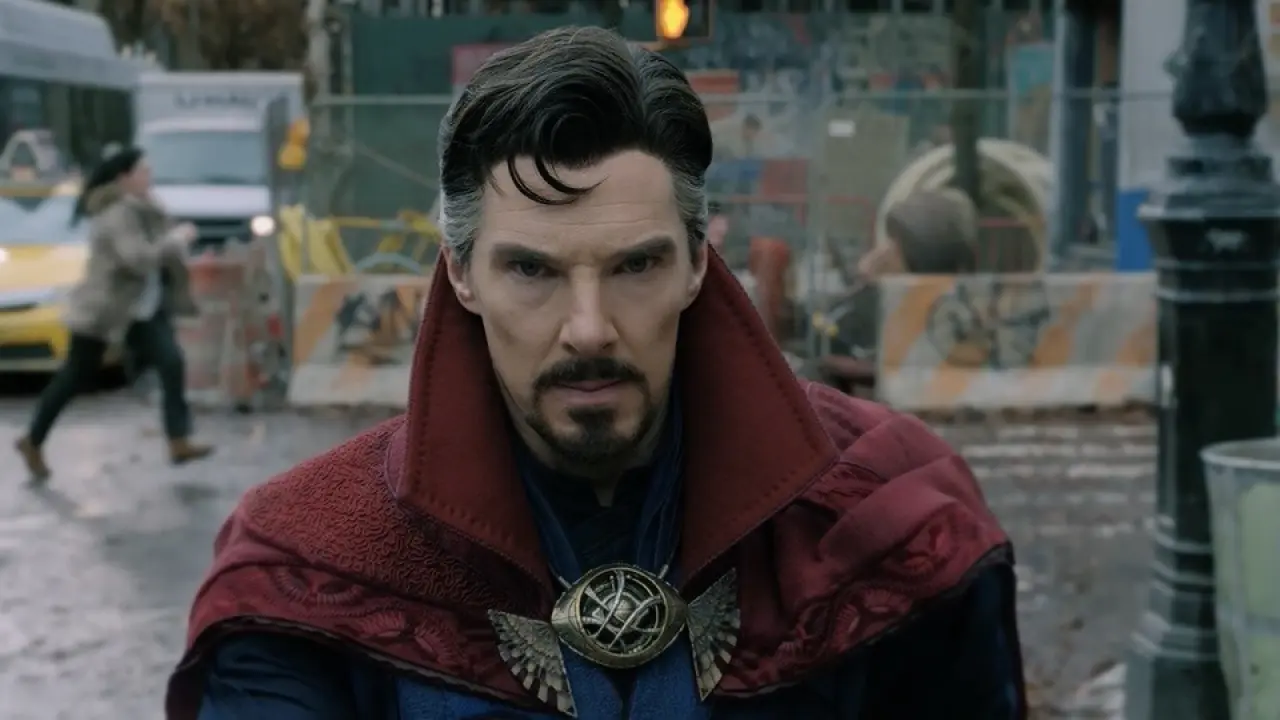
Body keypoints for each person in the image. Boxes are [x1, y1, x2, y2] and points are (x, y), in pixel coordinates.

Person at [168, 27, 1024, 720]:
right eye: (532, 270)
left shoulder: (891, 519)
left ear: (698, 261)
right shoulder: (310, 567)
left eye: (635, 265)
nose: (589, 329)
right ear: (461, 274)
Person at [15, 147, 213, 481]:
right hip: (104, 311)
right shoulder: (116, 213)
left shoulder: (146, 207)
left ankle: (178, 440)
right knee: (75, 376)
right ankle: (32, 440)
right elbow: (136, 259)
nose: (149, 178)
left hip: (142, 310)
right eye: (143, 172)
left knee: (171, 361)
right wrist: (177, 240)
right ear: (124, 178)